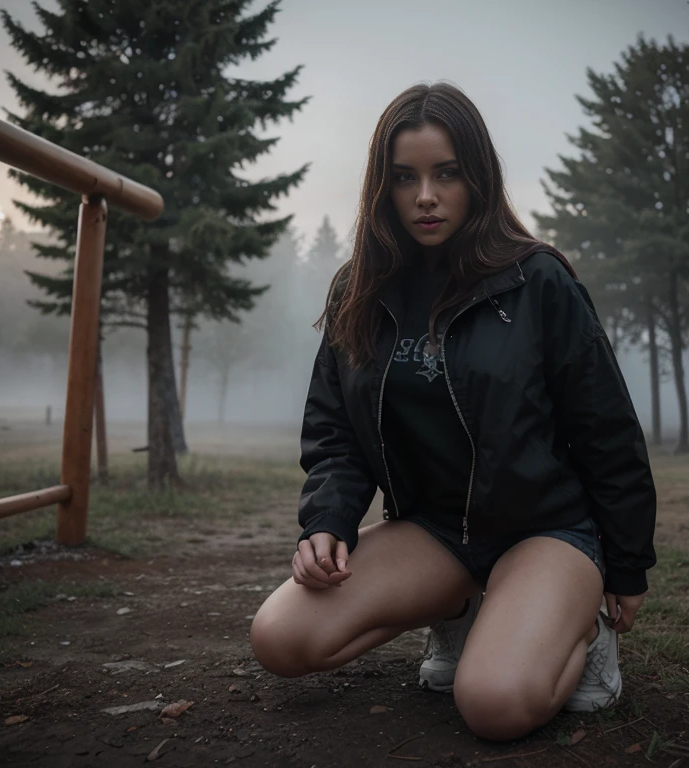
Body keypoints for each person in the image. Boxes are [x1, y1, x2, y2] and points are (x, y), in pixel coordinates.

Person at [249, 82, 656, 742]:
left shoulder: (537, 282)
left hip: (546, 531)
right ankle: (463, 612)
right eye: (405, 178)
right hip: (436, 535)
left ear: (478, 177)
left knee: (492, 704)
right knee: (280, 638)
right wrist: (327, 521)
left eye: (446, 174)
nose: (425, 196)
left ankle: (584, 631)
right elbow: (335, 429)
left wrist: (627, 564)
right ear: (383, 187)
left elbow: (605, 428)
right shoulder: (361, 290)